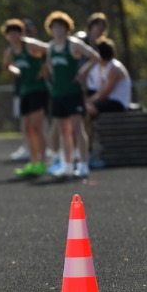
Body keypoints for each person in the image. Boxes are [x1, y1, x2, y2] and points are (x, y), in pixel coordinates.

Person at [44, 11, 101, 178]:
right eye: (55, 26)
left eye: (61, 26)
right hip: (58, 94)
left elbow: (95, 57)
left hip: (73, 93)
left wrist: (82, 73)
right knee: (64, 130)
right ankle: (67, 165)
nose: (58, 29)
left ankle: (83, 165)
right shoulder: (51, 47)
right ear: (51, 29)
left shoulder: (73, 44)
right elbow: (50, 67)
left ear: (66, 28)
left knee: (78, 129)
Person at [1, 19, 50, 176]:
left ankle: (42, 162)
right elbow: (6, 66)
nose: (13, 35)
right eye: (10, 32)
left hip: (38, 89)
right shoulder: (10, 51)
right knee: (27, 128)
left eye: (16, 32)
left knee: (37, 127)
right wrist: (17, 72)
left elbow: (49, 49)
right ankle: (33, 162)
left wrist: (44, 69)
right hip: (25, 91)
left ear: (21, 33)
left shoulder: (29, 44)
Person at [84, 37, 132, 117]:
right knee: (81, 108)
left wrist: (88, 101)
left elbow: (105, 94)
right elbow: (100, 91)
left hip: (118, 103)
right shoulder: (106, 67)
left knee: (87, 110)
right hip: (109, 101)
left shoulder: (114, 68)